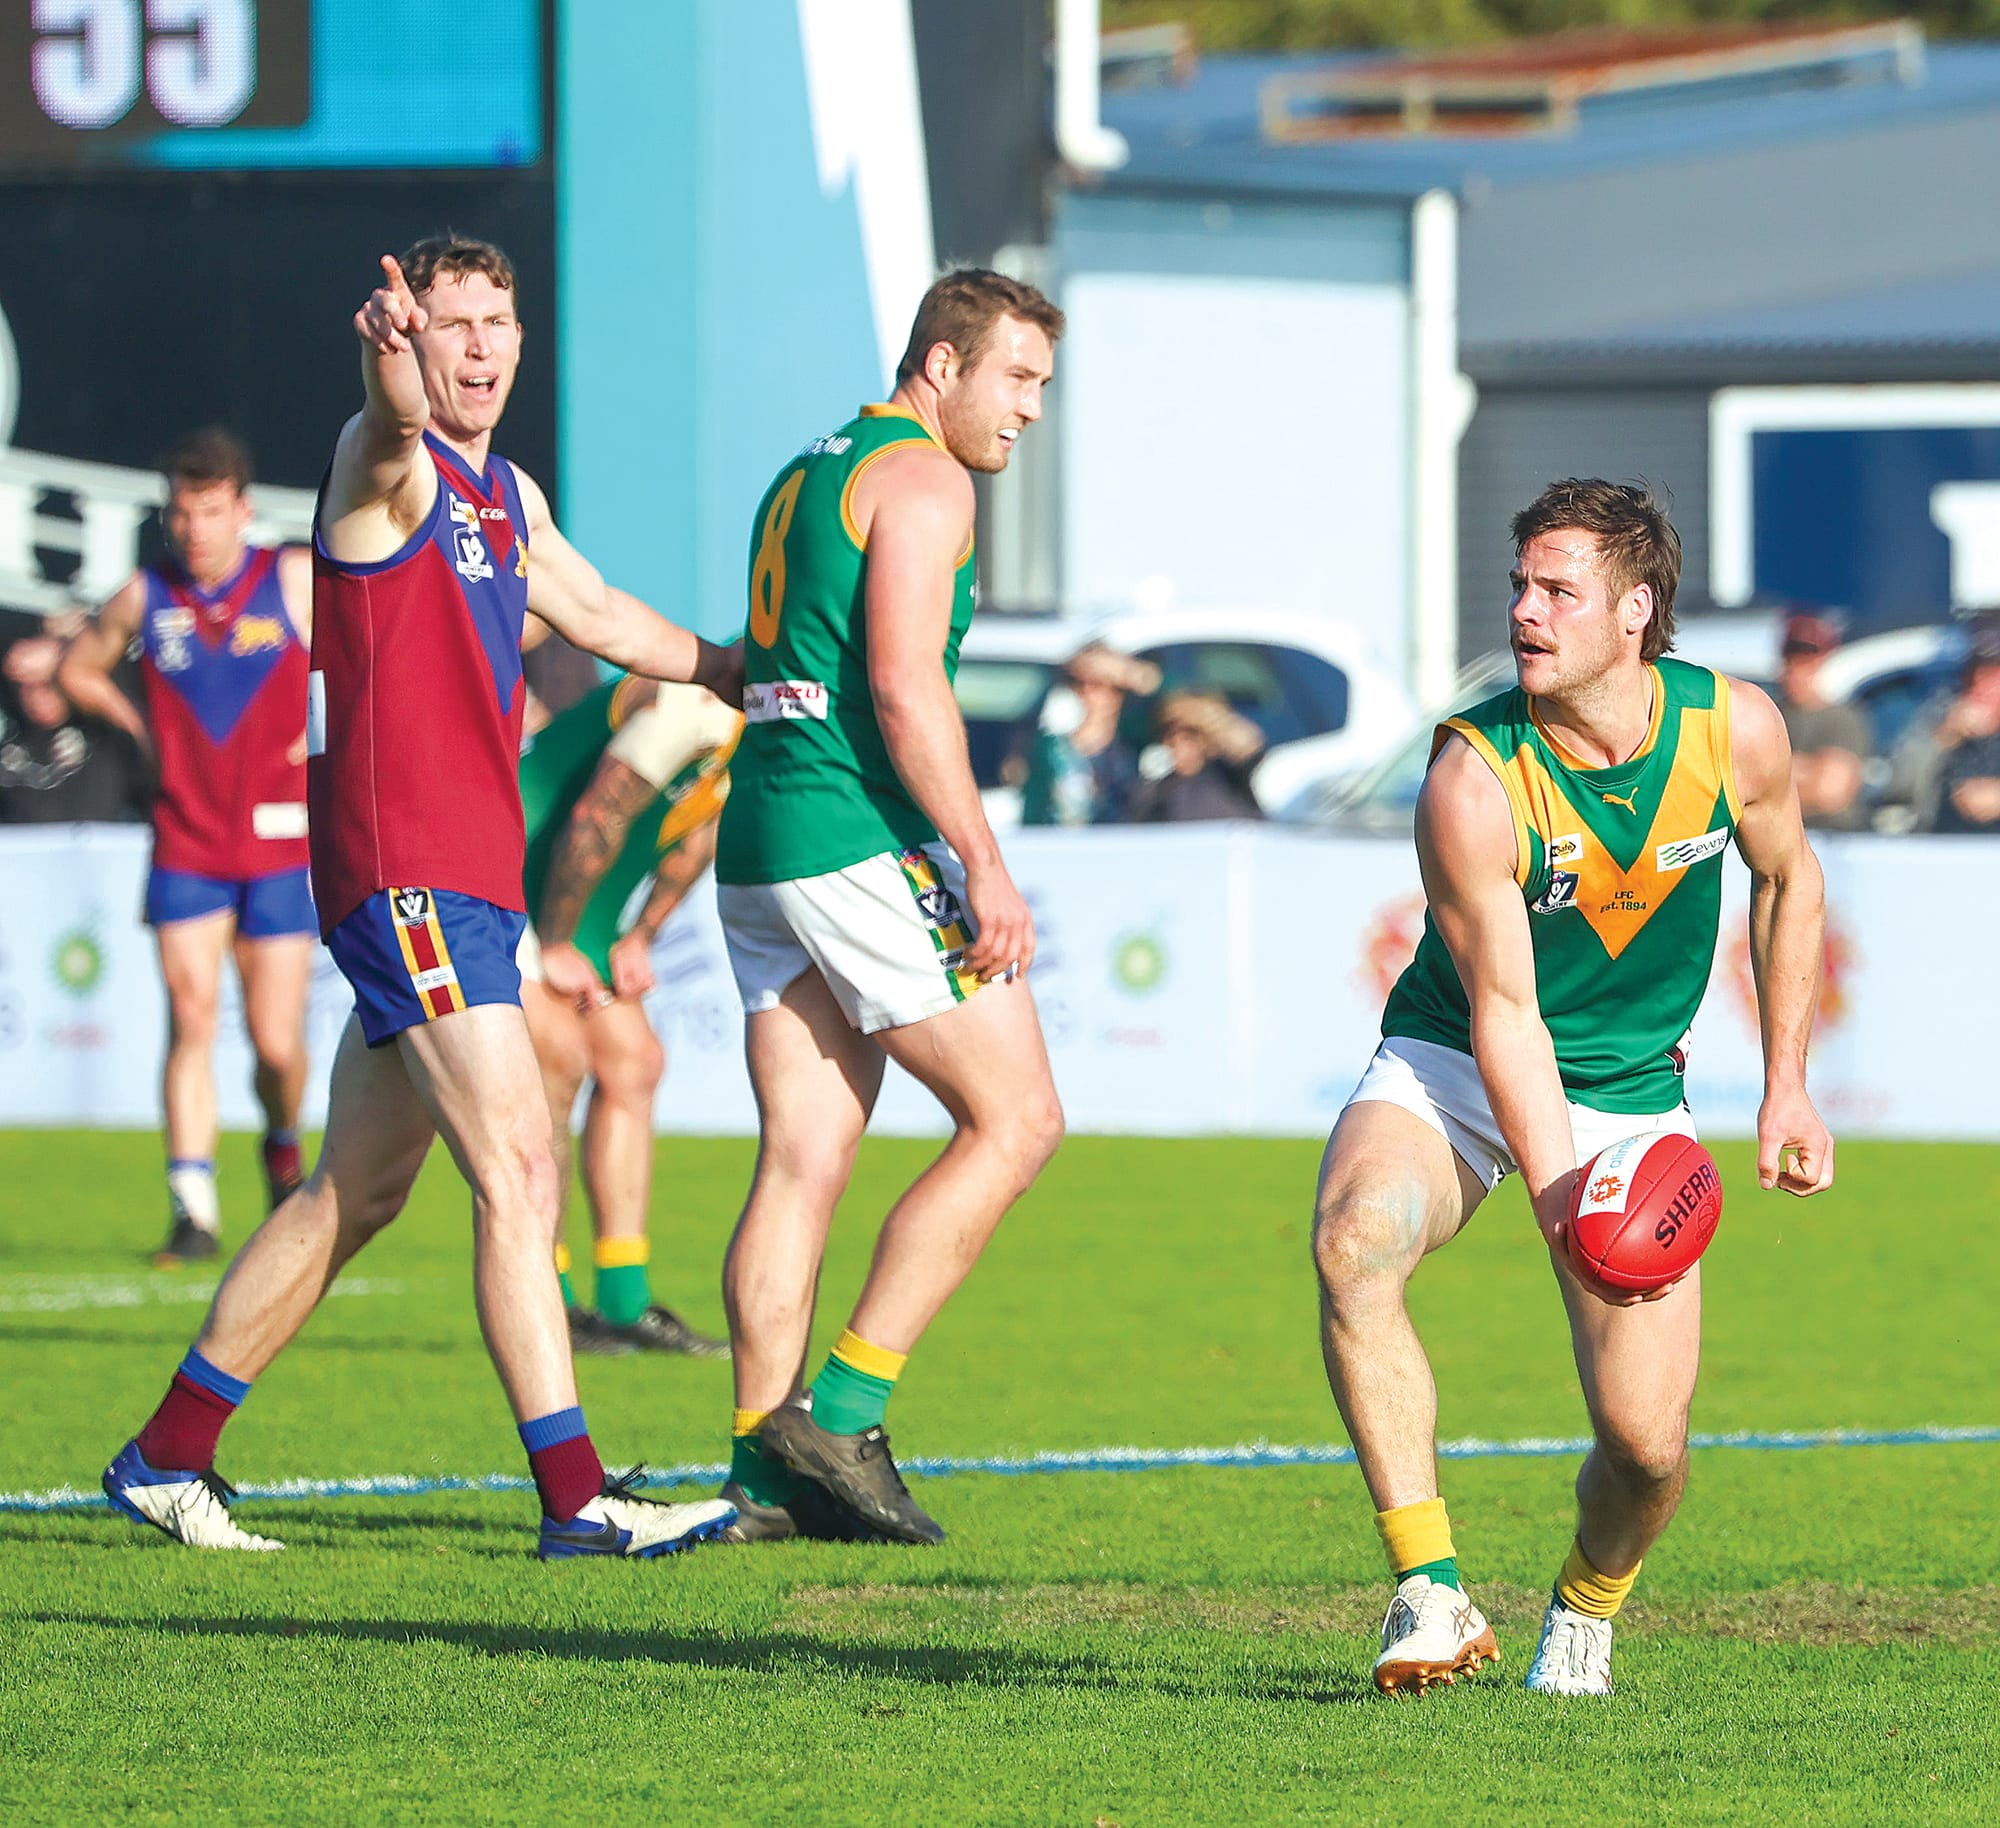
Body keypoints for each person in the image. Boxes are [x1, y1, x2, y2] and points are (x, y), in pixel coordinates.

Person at [101, 236, 743, 1559]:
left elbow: (605, 615)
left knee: (355, 1191)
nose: (481, 346)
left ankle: (169, 1454)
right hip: (407, 876)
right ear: (413, 338)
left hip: (463, 882)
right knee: (516, 1163)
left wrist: (746, 669)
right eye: (453, 325)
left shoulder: (507, 492)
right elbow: (389, 430)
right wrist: (383, 365)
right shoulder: (380, 468)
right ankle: (577, 1500)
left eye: (496, 322)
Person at [1311, 479, 1834, 1698]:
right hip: (1454, 1060)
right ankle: (1427, 1591)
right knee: (1353, 1243)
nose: (1524, 612)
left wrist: (1787, 1089)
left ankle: (1584, 1607)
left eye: (1558, 590)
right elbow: (1501, 1010)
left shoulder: (1733, 730)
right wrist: (1555, 1188)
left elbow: (1787, 881)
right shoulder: (1472, 772)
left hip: (1631, 1089)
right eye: (1518, 587)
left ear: (1636, 609)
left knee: (1646, 1451)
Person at [713, 268, 1067, 1546]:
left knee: (802, 1159)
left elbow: (766, 655)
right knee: (1017, 1119)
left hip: (757, 830)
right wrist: (983, 859)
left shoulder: (805, 469)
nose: (1028, 408)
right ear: (942, 362)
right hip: (849, 828)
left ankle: (760, 1479)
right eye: (1015, 377)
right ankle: (846, 1409)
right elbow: (908, 692)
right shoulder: (925, 479)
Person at [58, 430, 317, 1263]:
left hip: (280, 841)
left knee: (277, 1042)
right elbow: (79, 669)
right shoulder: (146, 595)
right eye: (180, 510)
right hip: (186, 839)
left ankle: (282, 1146)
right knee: (193, 1017)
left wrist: (321, 741)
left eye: (210, 510)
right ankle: (192, 1208)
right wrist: (138, 726)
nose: (194, 527)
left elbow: (365, 659)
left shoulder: (291, 578)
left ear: (242, 509)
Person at [516, 671, 739, 1356]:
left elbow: (700, 840)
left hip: (577, 900)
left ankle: (623, 1301)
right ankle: (545, 1301)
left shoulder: (764, 729)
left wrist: (640, 932)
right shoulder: (688, 702)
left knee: (635, 1065)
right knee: (557, 1064)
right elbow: (593, 817)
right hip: (505, 876)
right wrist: (554, 943)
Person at [0, 610, 147, 823]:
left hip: (99, 846)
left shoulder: (103, 732)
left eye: (49, 683)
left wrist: (64, 654)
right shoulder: (13, 725)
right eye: (23, 684)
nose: (36, 696)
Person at [1020, 640, 1157, 826]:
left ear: (1120, 693)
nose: (1088, 692)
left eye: (1100, 685)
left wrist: (1129, 672)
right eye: (1079, 683)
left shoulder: (1137, 745)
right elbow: (1032, 813)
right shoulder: (1052, 749)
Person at [1770, 612, 1872, 831]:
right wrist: (1806, 770)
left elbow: (1829, 791)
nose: (1798, 671)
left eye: (1809, 662)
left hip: (1833, 840)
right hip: (1777, 840)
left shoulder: (1842, 719)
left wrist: (1773, 777)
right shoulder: (1767, 714)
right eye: (1792, 661)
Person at [1126, 688, 1266, 823]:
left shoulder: (1235, 778)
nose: (1177, 741)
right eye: (1169, 732)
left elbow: (1247, 746)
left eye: (1191, 733)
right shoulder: (1154, 790)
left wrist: (1208, 718)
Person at [1926, 620, 2000, 834]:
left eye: (1991, 674)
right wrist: (1944, 736)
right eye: (1974, 671)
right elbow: (1901, 786)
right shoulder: (1943, 711)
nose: (1979, 681)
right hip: (1950, 845)